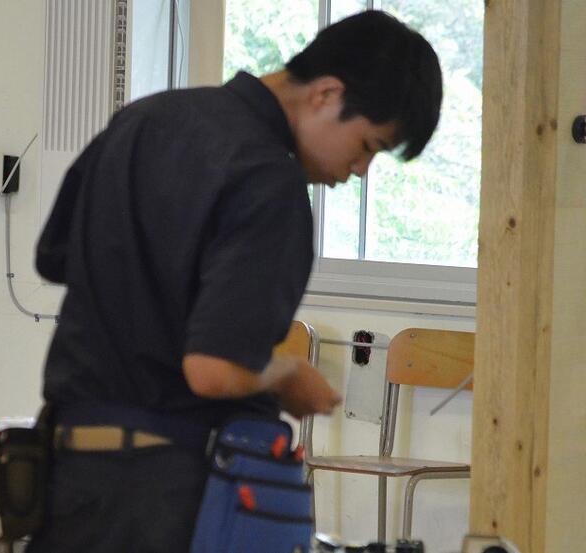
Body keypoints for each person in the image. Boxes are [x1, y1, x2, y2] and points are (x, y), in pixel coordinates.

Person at [28, 9, 442, 553]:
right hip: (170, 498)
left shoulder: (142, 121)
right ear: (326, 94)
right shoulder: (269, 182)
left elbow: (54, 257)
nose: (360, 171)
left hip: (66, 479)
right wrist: (286, 373)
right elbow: (215, 371)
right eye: (368, 146)